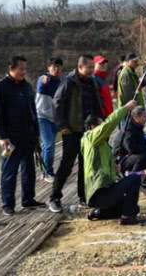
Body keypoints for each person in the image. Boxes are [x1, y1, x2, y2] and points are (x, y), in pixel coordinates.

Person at [0, 55, 45, 215]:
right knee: (9, 171)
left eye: (25, 69)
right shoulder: (0, 87)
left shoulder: (27, 86)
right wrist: (2, 136)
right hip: (10, 138)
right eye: (21, 68)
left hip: (28, 136)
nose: (24, 71)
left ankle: (28, 200)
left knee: (29, 169)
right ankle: (7, 204)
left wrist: (36, 132)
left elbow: (33, 111)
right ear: (11, 68)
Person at [49, 55, 102, 213]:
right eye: (89, 67)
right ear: (80, 67)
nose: (92, 70)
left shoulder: (91, 82)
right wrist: (61, 125)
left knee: (86, 165)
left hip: (87, 131)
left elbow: (96, 103)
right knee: (67, 164)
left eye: (93, 67)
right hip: (71, 130)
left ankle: (83, 197)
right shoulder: (69, 81)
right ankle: (54, 197)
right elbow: (57, 103)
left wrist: (100, 121)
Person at [81, 99, 146, 225]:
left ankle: (99, 213)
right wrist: (125, 109)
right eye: (100, 126)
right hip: (100, 193)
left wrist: (114, 168)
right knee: (135, 179)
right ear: (93, 127)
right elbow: (109, 124)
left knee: (135, 208)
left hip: (101, 195)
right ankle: (127, 217)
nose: (105, 130)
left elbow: (100, 163)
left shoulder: (99, 145)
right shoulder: (91, 138)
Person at [35, 57, 63, 182]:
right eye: (53, 67)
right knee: (49, 144)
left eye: (58, 67)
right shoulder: (43, 79)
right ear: (48, 68)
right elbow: (42, 80)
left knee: (46, 145)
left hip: (54, 119)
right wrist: (43, 77)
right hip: (42, 117)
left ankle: (43, 169)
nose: (56, 69)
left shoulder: (61, 82)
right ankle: (48, 172)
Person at [120, 106, 146, 186]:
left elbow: (143, 143)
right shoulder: (129, 129)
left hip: (132, 155)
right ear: (136, 117)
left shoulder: (138, 127)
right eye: (144, 116)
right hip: (122, 160)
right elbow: (131, 148)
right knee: (144, 156)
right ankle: (134, 180)